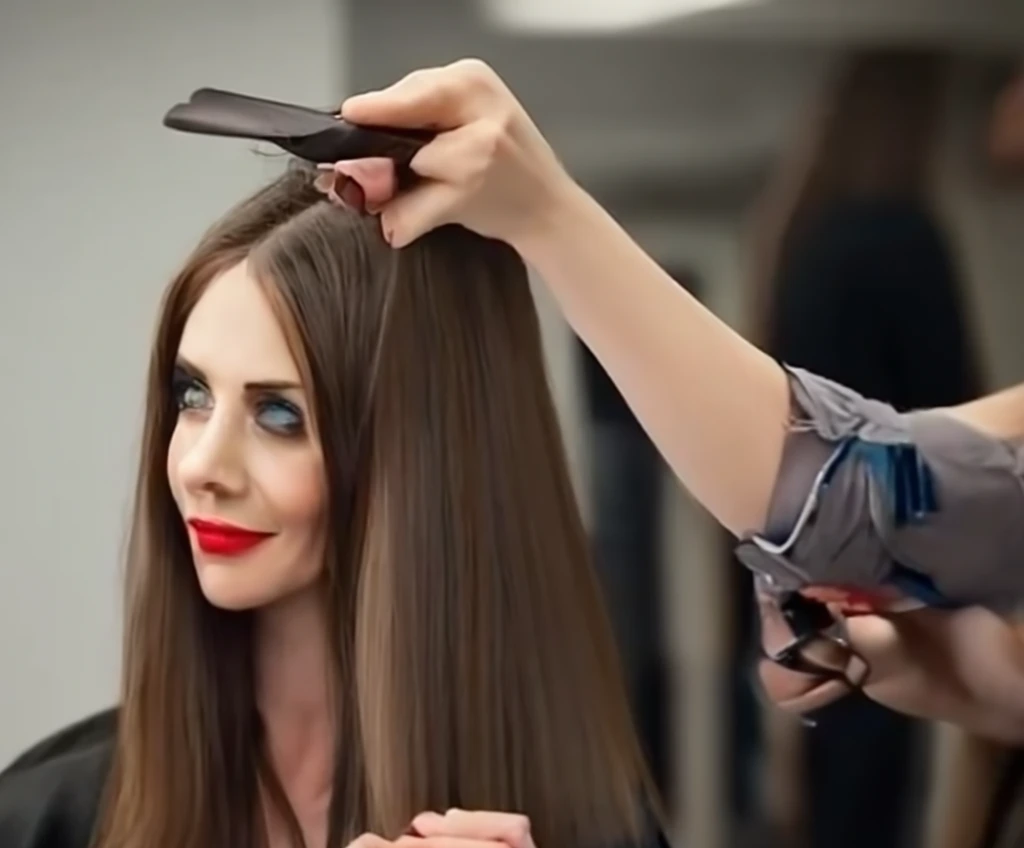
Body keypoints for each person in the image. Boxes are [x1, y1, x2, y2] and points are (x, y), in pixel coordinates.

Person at [0, 165, 756, 848]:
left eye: (279, 415)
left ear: (413, 464)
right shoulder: (47, 829)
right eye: (193, 394)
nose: (201, 466)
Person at [330, 58, 1024, 736]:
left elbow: (850, 486)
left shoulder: (833, 234)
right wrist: (942, 669)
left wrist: (547, 212)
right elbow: (881, 475)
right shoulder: (876, 239)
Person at [747, 48, 984, 848]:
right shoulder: (899, 237)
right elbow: (951, 425)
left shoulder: (799, 240)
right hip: (894, 587)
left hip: (812, 587)